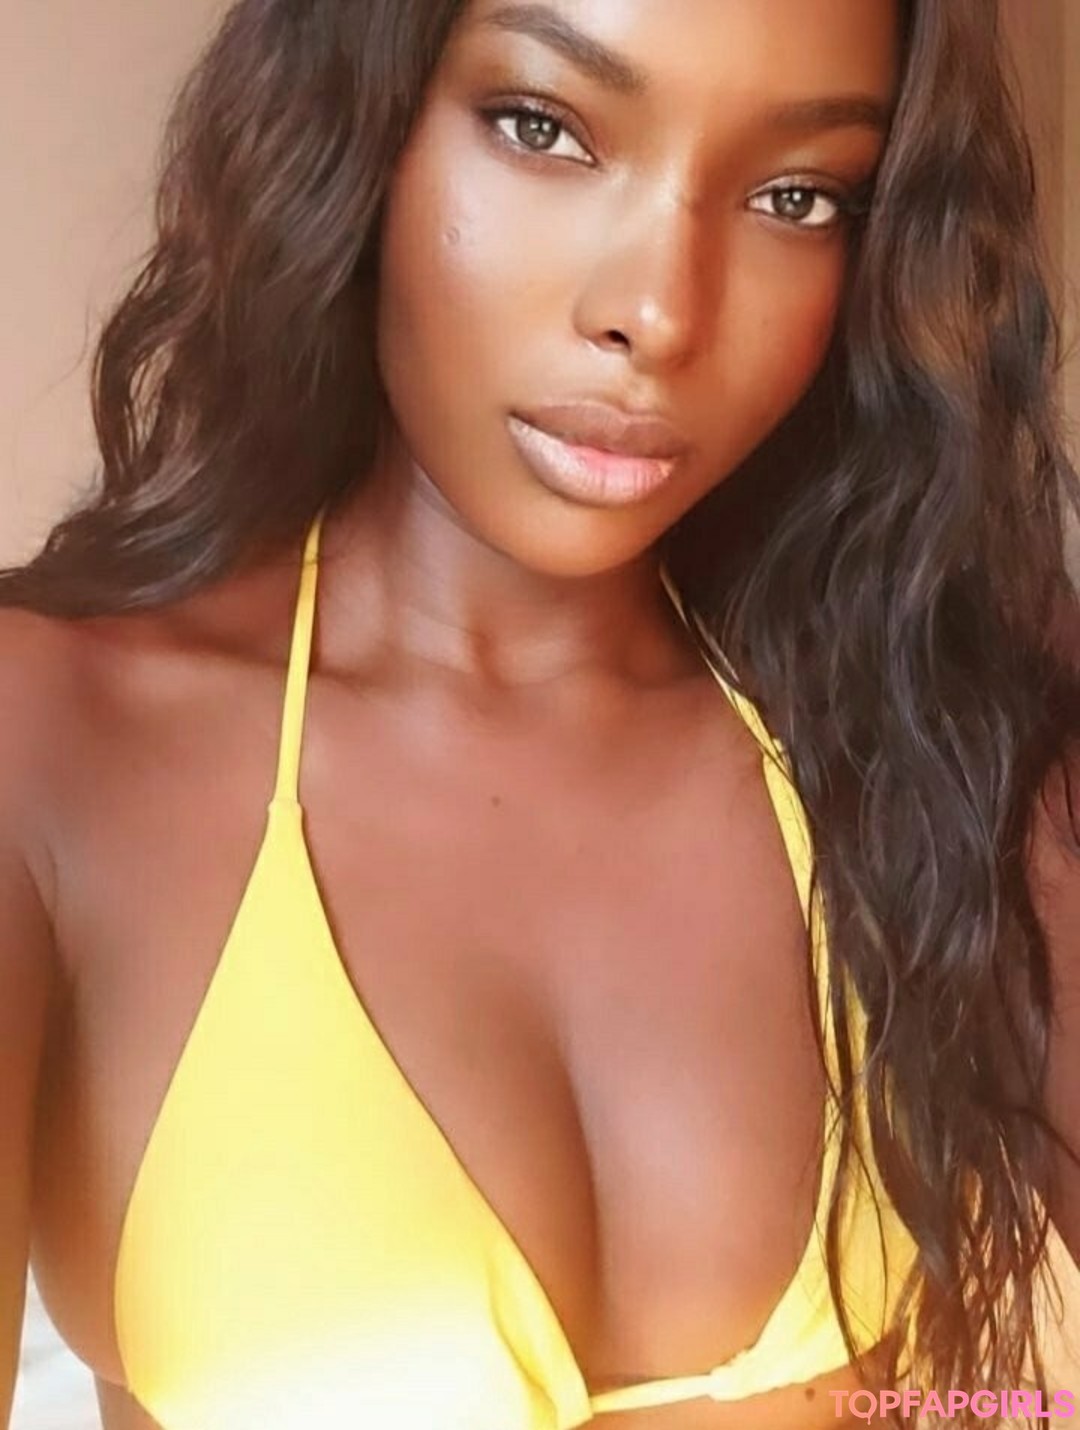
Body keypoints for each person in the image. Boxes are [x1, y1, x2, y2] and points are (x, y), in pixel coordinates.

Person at [1, 1, 1078, 1427]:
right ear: (361, 123)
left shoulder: (947, 719)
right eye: (543, 128)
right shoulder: (53, 735)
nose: (659, 316)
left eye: (795, 196)